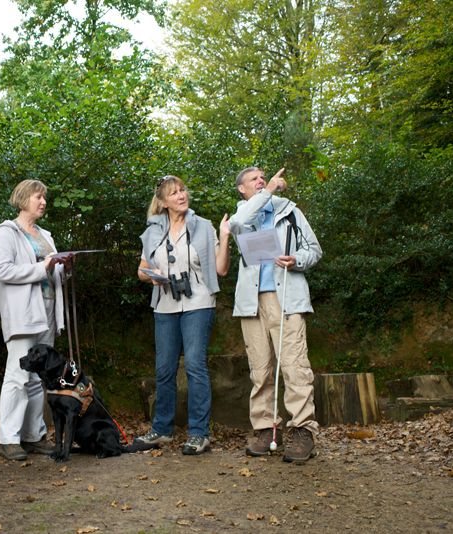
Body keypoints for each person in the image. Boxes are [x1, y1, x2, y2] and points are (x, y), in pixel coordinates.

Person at [228, 167, 323, 462]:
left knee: (295, 367)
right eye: (254, 179)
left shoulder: (290, 212)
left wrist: (296, 259)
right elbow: (236, 224)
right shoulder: (242, 214)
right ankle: (266, 431)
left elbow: (314, 250)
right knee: (260, 370)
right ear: (242, 189)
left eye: (263, 177)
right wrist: (267, 191)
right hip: (251, 302)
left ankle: (303, 431)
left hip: (287, 299)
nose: (261, 180)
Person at [136, 175, 230, 455]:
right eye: (174, 193)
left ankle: (199, 434)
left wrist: (225, 237)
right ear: (163, 202)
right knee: (164, 368)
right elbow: (141, 271)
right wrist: (153, 275)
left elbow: (221, 269)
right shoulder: (153, 231)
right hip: (164, 305)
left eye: (182, 190)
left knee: (194, 366)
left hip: (198, 302)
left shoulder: (203, 226)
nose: (181, 195)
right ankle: (162, 430)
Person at [0, 179, 72, 461]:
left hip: (48, 309)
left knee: (41, 376)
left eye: (44, 198)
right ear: (23, 199)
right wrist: (42, 267)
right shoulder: (7, 232)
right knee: (18, 375)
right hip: (23, 312)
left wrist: (64, 267)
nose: (43, 202)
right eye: (38, 197)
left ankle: (33, 435)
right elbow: (3, 271)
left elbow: (53, 273)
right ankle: (8, 439)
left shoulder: (45, 235)